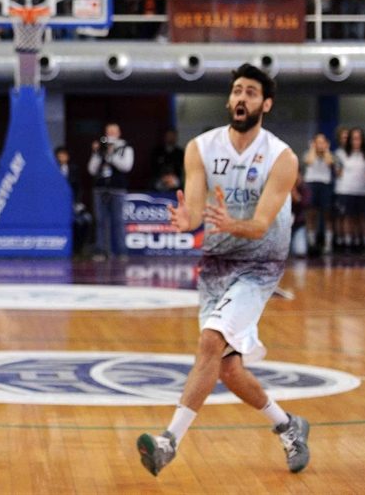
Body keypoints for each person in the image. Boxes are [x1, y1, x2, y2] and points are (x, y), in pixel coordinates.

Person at [137, 63, 309, 478]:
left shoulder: (282, 157)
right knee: (228, 368)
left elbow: (261, 225)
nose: (241, 98)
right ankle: (289, 425)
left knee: (210, 341)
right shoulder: (200, 147)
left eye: (251, 92)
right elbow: (196, 212)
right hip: (216, 265)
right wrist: (187, 221)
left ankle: (168, 441)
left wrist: (234, 223)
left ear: (265, 104)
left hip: (260, 264)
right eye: (237, 90)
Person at [87, 123, 134, 256]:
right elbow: (91, 169)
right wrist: (97, 153)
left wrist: (111, 154)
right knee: (100, 221)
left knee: (118, 221)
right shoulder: (100, 148)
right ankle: (101, 251)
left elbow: (126, 166)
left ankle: (121, 251)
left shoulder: (126, 147)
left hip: (117, 189)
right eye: (109, 132)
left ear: (119, 133)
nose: (111, 134)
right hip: (100, 189)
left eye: (114, 132)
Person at [333, 127, 365, 252]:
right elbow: (337, 172)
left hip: (363, 190)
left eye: (359, 139)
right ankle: (347, 242)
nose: (356, 141)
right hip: (345, 190)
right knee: (347, 216)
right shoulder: (340, 154)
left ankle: (360, 241)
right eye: (354, 139)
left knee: (361, 217)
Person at [303, 133, 335, 254]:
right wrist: (312, 148)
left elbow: (329, 162)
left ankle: (328, 243)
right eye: (318, 142)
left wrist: (326, 149)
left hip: (325, 185)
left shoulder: (329, 154)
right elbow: (309, 161)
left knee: (327, 215)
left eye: (323, 142)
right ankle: (312, 242)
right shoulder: (308, 153)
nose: (320, 145)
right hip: (311, 184)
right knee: (311, 214)